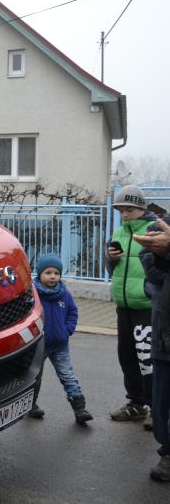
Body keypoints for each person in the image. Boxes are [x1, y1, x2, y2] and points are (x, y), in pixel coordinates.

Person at [106, 185, 155, 424]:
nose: (124, 215)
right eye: (121, 210)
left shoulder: (154, 231)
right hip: (123, 305)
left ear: (141, 209)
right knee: (127, 356)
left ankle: (157, 408)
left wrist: (149, 290)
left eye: (129, 210)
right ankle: (136, 404)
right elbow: (111, 269)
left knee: (148, 360)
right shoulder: (118, 233)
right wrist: (110, 258)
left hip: (146, 306)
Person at [29, 253, 93, 424]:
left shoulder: (64, 293)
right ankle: (30, 405)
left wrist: (67, 330)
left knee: (68, 375)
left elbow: (72, 312)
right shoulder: (33, 294)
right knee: (34, 377)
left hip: (60, 345)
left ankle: (80, 409)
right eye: (48, 273)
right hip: (38, 345)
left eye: (56, 273)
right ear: (39, 274)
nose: (53, 276)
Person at [136, 217, 170, 482]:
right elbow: (154, 273)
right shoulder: (160, 227)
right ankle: (167, 453)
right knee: (163, 403)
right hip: (164, 338)